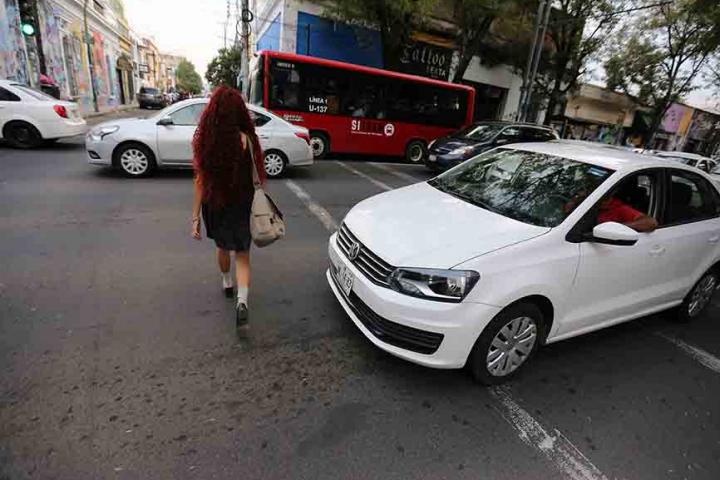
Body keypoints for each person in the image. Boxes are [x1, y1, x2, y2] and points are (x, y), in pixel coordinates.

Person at [190, 86, 266, 328]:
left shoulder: (206, 140)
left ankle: (226, 282)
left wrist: (195, 217)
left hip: (215, 204)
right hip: (243, 204)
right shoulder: (249, 140)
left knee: (222, 247)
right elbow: (256, 175)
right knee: (243, 255)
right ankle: (242, 301)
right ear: (239, 112)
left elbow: (201, 180)